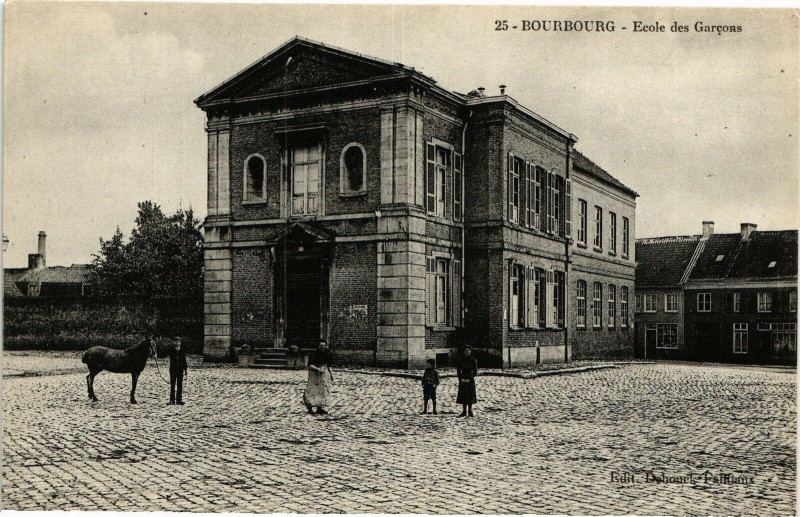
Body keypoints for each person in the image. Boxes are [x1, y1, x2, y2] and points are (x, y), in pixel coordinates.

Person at [303, 341, 333, 415]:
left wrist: (331, 374)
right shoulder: (314, 354)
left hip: (323, 372)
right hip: (314, 373)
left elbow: (329, 365)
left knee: (322, 390)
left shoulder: (327, 354)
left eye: (323, 345)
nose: (322, 347)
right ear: (318, 346)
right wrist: (318, 370)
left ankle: (319, 407)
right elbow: (310, 365)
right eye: (321, 345)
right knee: (312, 389)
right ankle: (309, 407)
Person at [165, 336, 188, 405]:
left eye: (178, 341)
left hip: (180, 370)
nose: (177, 343)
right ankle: (172, 400)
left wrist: (185, 369)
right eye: (175, 341)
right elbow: (163, 354)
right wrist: (156, 356)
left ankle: (179, 400)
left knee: (179, 385)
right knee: (172, 385)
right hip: (173, 369)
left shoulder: (182, 350)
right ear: (173, 342)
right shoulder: (171, 349)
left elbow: (184, 360)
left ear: (180, 343)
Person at [456, 346, 478, 417]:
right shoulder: (461, 360)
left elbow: (475, 372)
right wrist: (461, 378)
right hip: (463, 378)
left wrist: (470, 379)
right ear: (464, 351)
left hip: (470, 379)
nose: (466, 352)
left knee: (470, 395)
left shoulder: (473, 360)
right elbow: (459, 371)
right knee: (463, 395)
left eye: (468, 350)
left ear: (470, 351)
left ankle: (470, 411)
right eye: (465, 350)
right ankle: (464, 411)